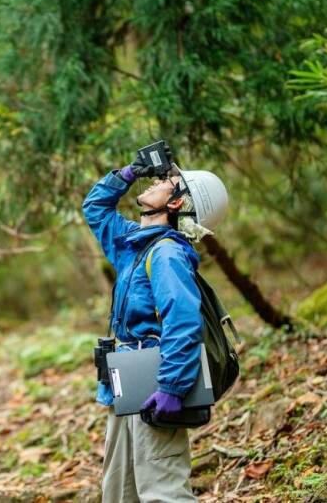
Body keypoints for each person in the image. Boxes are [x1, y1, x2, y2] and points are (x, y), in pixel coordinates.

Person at [82, 149, 228, 502]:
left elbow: (183, 323)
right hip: (126, 384)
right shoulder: (133, 245)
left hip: (156, 382)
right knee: (120, 492)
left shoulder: (166, 254)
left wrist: (172, 387)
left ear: (177, 204)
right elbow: (95, 209)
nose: (159, 179)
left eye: (168, 182)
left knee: (163, 492)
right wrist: (130, 171)